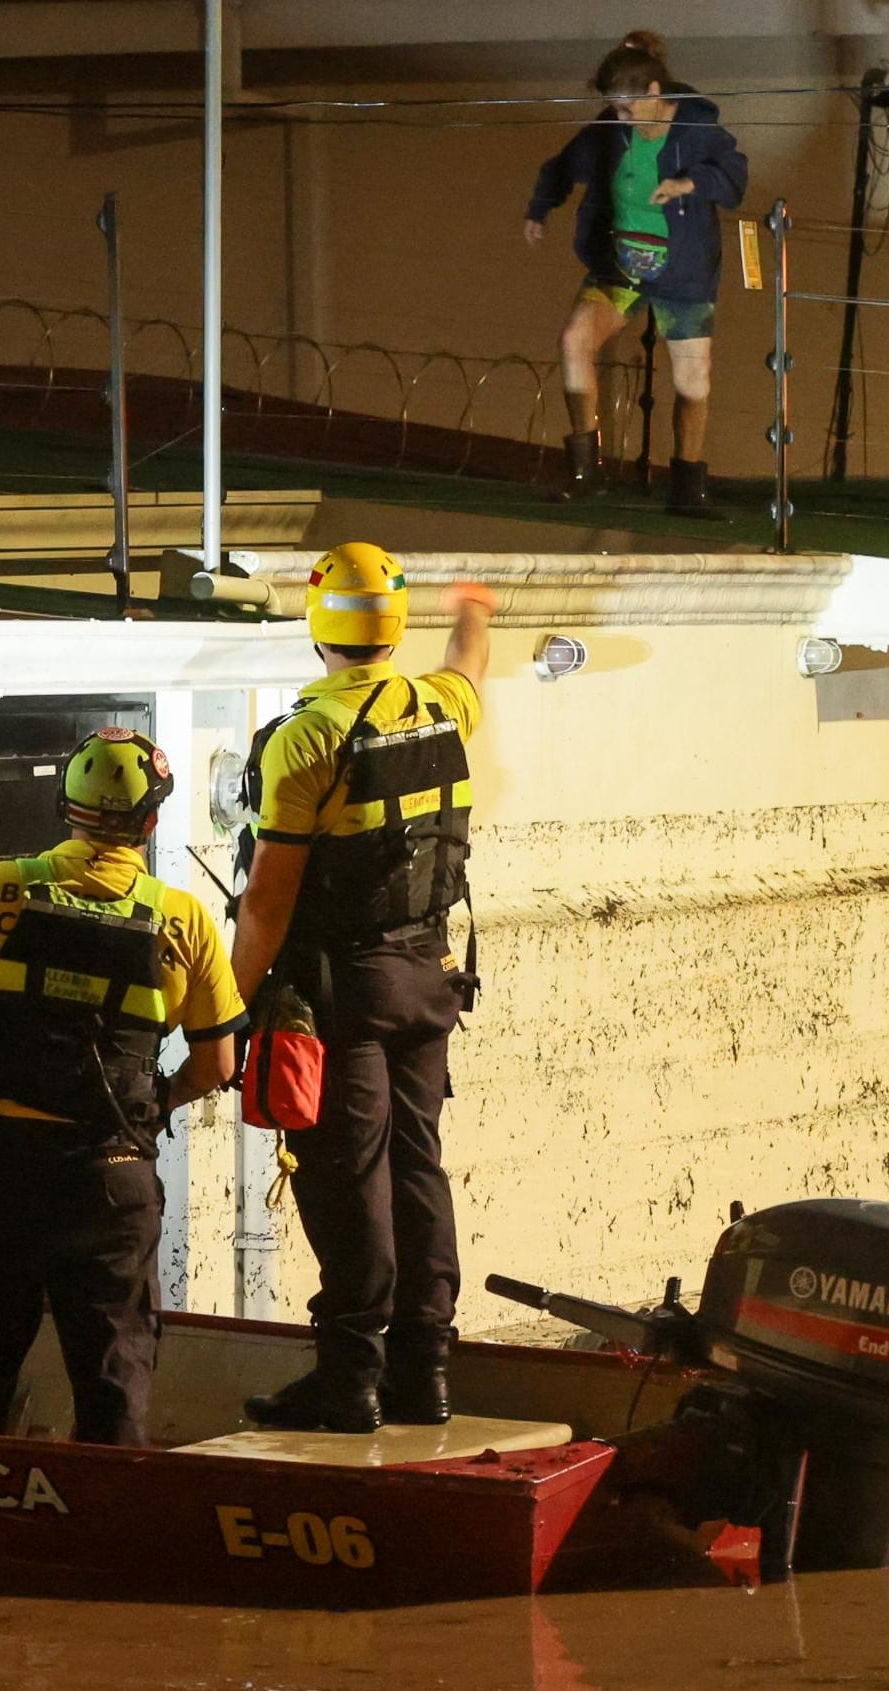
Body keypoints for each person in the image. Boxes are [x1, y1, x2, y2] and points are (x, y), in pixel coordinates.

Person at [231, 544, 496, 1433]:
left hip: (343, 990)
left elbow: (269, 900)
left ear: (319, 624)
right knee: (419, 1164)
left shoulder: (305, 737)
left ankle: (349, 1379)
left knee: (350, 1177)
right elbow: (469, 666)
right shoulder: (440, 706)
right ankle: (427, 1372)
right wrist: (474, 613)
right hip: (428, 975)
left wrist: (227, 1008)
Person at [0, 729, 245, 1446]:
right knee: (112, 1393)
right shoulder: (182, 918)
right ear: (152, 821)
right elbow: (220, 1063)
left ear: (65, 805)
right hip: (111, 1179)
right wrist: (155, 1100)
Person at [523, 30, 749, 518]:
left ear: (653, 94)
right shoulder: (610, 132)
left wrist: (690, 182)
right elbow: (564, 166)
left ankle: (688, 485)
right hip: (621, 267)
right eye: (615, 110)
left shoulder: (696, 128)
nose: (620, 119)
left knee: (693, 378)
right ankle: (587, 470)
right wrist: (541, 209)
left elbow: (735, 178)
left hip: (682, 274)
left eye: (627, 109)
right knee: (574, 340)